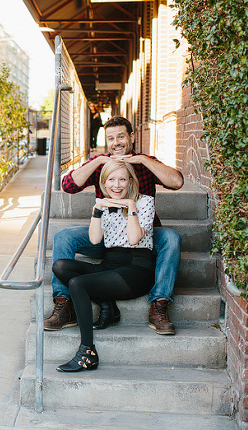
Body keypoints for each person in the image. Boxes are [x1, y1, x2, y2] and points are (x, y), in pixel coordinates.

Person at [45, 116, 184, 335]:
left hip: (142, 235)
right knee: (63, 237)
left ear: (132, 137)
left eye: (121, 136)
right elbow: (68, 186)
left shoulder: (145, 163)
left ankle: (159, 305)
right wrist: (99, 162)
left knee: (171, 238)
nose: (116, 142)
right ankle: (64, 304)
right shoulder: (103, 166)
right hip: (107, 236)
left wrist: (143, 160)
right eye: (111, 138)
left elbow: (177, 182)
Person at [51, 160, 156, 372]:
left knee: (78, 284)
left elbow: (135, 239)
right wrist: (98, 210)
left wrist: (131, 207)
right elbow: (94, 239)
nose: (117, 185)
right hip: (110, 265)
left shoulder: (145, 202)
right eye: (111, 180)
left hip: (136, 271)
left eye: (122, 180)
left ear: (130, 182)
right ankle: (107, 305)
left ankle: (87, 352)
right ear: (104, 183)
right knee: (61, 267)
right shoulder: (103, 205)